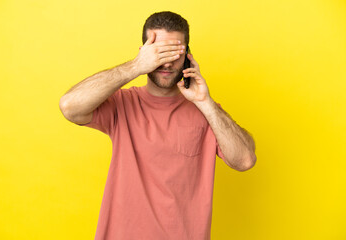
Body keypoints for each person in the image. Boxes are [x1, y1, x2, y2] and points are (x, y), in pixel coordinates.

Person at [59, 11, 256, 240]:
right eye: (160, 52)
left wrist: (206, 103)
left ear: (188, 56)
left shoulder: (205, 111)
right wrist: (135, 66)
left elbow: (245, 160)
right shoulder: (122, 104)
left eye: (175, 52)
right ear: (144, 53)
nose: (168, 62)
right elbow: (69, 106)